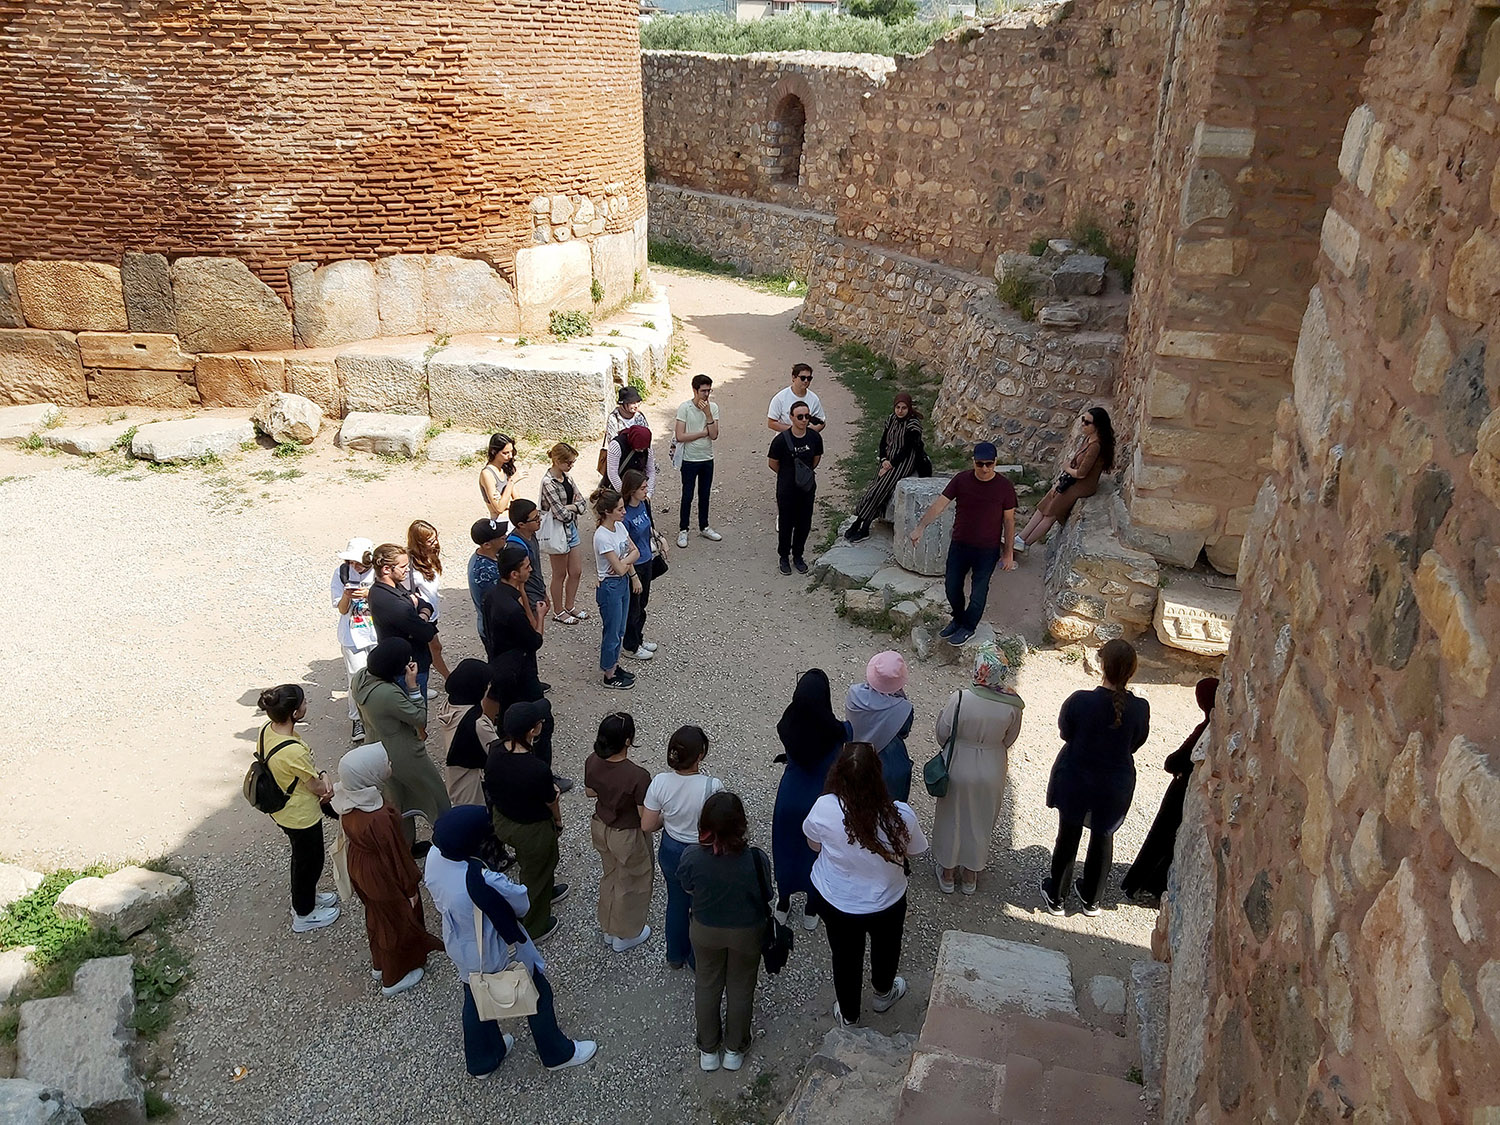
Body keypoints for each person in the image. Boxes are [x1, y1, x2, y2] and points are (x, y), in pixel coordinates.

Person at [423, 806, 597, 1077]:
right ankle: (556, 1053)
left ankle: (483, 1060)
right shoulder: (480, 879)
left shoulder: (435, 857)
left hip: (460, 942)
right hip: (494, 947)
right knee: (538, 994)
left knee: (474, 996)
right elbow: (521, 903)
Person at [803, 742, 928, 1026]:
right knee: (887, 947)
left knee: (845, 958)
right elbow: (915, 850)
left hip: (837, 899)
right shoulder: (900, 815)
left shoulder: (825, 807)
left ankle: (849, 1014)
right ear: (878, 775)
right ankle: (883, 992)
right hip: (887, 899)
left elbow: (813, 844)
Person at [1040, 639, 1151, 917]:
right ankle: (1092, 898)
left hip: (1077, 775)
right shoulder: (1140, 708)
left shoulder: (1080, 701)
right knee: (1104, 835)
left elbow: (1066, 732)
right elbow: (1137, 742)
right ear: (1131, 672)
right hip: (1115, 782)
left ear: (1102, 666)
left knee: (1068, 834)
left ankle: (1057, 895)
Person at [331, 743, 444, 996]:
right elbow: (397, 856)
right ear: (368, 776)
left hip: (360, 865)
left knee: (377, 915)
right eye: (384, 764)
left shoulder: (349, 800)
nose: (389, 765)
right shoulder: (379, 816)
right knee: (397, 920)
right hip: (382, 873)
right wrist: (410, 886)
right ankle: (394, 977)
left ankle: (380, 964)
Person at [677, 792, 773, 1073]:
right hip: (746, 931)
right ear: (741, 825)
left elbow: (687, 887)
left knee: (707, 984)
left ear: (704, 824)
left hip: (706, 928)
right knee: (741, 987)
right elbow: (766, 894)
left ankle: (708, 1049)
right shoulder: (756, 859)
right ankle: (734, 1048)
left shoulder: (692, 856)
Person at [931, 642, 1025, 895]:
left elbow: (943, 733)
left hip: (959, 761)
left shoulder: (961, 697)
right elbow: (1010, 739)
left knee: (953, 818)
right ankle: (971, 875)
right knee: (981, 821)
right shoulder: (1013, 704)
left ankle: (948, 873)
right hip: (992, 765)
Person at [908, 442, 1017, 648]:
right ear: (973, 462)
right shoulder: (961, 480)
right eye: (980, 464)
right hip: (960, 544)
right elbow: (939, 505)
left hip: (987, 549)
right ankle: (958, 618)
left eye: (989, 464)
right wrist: (920, 527)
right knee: (951, 586)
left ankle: (968, 626)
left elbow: (1009, 521)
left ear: (996, 462)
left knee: (978, 591)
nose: (984, 469)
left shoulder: (1005, 487)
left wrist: (1008, 552)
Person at [1121, 677, 1218, 905]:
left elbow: (1173, 762)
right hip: (1197, 792)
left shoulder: (1204, 729)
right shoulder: (1214, 729)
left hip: (1181, 791)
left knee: (1161, 837)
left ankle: (1140, 883)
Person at [351, 637, 451, 849]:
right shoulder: (387, 693)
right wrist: (413, 687)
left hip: (377, 747)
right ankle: (449, 838)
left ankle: (406, 844)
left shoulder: (360, 678)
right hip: (402, 751)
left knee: (397, 799)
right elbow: (418, 717)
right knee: (435, 793)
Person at [256, 684, 338, 932]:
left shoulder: (266, 730)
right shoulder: (292, 751)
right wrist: (325, 779)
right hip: (301, 815)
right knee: (309, 862)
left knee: (303, 859)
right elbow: (315, 786)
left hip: (282, 808)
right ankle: (304, 913)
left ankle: (307, 898)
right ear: (294, 713)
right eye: (303, 703)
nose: (306, 706)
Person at [771, 671, 848, 930]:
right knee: (816, 854)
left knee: (785, 850)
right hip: (821, 798)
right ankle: (812, 908)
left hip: (790, 796)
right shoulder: (837, 731)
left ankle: (783, 902)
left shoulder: (787, 725)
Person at [642, 725, 724, 970]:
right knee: (701, 907)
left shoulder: (660, 782)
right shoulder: (713, 787)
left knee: (676, 901)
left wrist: (667, 819)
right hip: (701, 850)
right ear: (700, 756)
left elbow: (647, 824)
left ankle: (675, 954)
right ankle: (697, 958)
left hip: (671, 848)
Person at [484, 700, 566, 942]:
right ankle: (535, 926)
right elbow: (550, 800)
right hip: (531, 828)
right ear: (533, 730)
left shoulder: (496, 749)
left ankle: (544, 891)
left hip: (504, 819)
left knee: (532, 864)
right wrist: (558, 822)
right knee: (536, 870)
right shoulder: (536, 768)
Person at [583, 712, 654, 953]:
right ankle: (625, 934)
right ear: (627, 740)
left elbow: (590, 792)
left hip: (601, 827)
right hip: (626, 833)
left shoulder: (592, 760)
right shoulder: (637, 775)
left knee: (610, 876)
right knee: (632, 882)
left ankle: (608, 927)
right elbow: (646, 819)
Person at [1016, 406, 1114, 552]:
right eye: (1083, 420)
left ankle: (1025, 544)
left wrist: (1066, 468)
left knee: (1051, 512)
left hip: (1081, 485)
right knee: (1045, 504)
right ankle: (1020, 538)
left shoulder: (1095, 446)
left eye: (1087, 422)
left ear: (1097, 426)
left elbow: (1081, 474)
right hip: (1072, 480)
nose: (1083, 424)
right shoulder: (1088, 439)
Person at [368, 543, 451, 699]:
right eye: (403, 566)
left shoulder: (390, 588)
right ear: (386, 569)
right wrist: (422, 616)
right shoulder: (391, 601)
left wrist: (420, 615)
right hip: (408, 669)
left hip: (408, 661)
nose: (408, 569)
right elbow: (426, 632)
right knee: (416, 715)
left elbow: (425, 605)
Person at [845, 393, 926, 542]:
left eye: (903, 408)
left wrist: (890, 465)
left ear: (909, 408)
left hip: (903, 462)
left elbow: (907, 450)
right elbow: (883, 442)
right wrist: (883, 459)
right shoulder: (891, 420)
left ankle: (863, 526)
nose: (900, 411)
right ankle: (859, 523)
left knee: (879, 490)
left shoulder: (913, 425)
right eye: (897, 407)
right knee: (873, 488)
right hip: (888, 460)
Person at [844, 651, 915, 803]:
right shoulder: (904, 708)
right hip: (887, 760)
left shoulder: (854, 694)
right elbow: (903, 732)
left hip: (855, 752)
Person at [592, 488, 641, 690]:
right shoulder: (602, 536)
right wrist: (626, 562)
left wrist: (625, 563)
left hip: (620, 584)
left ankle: (614, 664)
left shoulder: (619, 527)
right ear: (607, 512)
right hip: (610, 586)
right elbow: (621, 567)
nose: (624, 512)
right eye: (620, 509)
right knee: (612, 631)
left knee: (620, 628)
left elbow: (635, 552)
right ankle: (609, 674)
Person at [331, 537, 378, 746]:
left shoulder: (380, 572)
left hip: (378, 633)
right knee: (356, 679)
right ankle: (357, 719)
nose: (355, 566)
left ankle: (377, 717)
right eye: (351, 562)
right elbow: (341, 609)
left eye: (358, 562)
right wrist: (347, 596)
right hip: (352, 636)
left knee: (380, 676)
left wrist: (371, 594)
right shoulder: (341, 574)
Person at [767, 401, 824, 575]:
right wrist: (788, 476)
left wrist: (804, 476)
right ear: (791, 417)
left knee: (804, 523)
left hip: (806, 489)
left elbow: (816, 458)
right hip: (786, 489)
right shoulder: (781, 440)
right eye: (800, 416)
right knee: (786, 523)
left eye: (807, 416)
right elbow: (772, 463)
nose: (804, 420)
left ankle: (798, 555)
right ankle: (784, 556)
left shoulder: (814, 437)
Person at [431, 658, 495, 808]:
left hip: (455, 775)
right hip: (472, 783)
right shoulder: (477, 722)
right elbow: (496, 752)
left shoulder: (449, 705)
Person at [539, 442, 590, 625]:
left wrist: (570, 507)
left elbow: (582, 503)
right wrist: (573, 508)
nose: (571, 466)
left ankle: (570, 606)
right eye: (568, 462)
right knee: (559, 574)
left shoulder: (567, 478)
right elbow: (560, 514)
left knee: (576, 571)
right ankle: (558, 610)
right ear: (557, 461)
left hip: (571, 529)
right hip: (557, 532)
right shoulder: (547, 482)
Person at [482, 546, 545, 690]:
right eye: (527, 567)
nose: (530, 570)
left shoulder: (490, 595)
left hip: (499, 663)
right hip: (519, 671)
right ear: (514, 574)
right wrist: (540, 616)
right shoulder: (513, 610)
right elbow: (535, 642)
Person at [674, 373, 722, 548]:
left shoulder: (713, 408)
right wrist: (702, 433)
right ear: (695, 390)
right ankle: (683, 529)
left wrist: (708, 414)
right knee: (687, 494)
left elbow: (715, 435)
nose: (706, 394)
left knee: (705, 494)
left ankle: (704, 526)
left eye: (709, 390)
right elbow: (680, 435)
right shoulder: (685, 408)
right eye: (703, 391)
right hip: (689, 459)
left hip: (707, 457)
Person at [619, 469, 661, 662]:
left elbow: (649, 526)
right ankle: (630, 645)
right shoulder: (624, 516)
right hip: (634, 566)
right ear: (632, 490)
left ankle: (638, 637)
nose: (646, 490)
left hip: (647, 560)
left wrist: (660, 538)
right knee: (633, 608)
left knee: (642, 604)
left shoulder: (645, 504)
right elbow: (625, 549)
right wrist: (633, 575)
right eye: (643, 488)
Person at [505, 499, 551, 625]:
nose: (539, 519)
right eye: (535, 518)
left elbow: (537, 569)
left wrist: (543, 593)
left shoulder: (532, 535)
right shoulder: (516, 548)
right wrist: (529, 615)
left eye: (539, 515)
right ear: (521, 524)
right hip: (529, 599)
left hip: (537, 593)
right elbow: (519, 584)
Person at [466, 519, 507, 651]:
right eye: (500, 536)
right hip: (496, 630)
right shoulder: (484, 572)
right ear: (487, 544)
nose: (505, 536)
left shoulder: (488, 556)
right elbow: (499, 604)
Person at [767, 363, 826, 433]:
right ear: (793, 377)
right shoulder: (780, 398)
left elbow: (822, 422)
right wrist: (793, 431)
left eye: (809, 378)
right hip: (786, 440)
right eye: (803, 378)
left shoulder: (814, 398)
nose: (806, 381)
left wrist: (809, 434)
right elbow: (771, 423)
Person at [404, 520, 443, 624]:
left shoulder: (430, 554)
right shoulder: (407, 565)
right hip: (421, 615)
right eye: (430, 541)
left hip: (431, 613)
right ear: (419, 544)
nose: (435, 543)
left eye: (435, 538)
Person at [479, 433, 521, 529]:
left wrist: (505, 501)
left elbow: (518, 501)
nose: (510, 456)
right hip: (500, 524)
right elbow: (499, 508)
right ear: (494, 452)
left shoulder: (505, 469)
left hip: (513, 521)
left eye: (511, 452)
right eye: (505, 453)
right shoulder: (487, 474)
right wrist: (511, 482)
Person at [605, 421, 657, 498]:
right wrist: (626, 495)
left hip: (639, 491)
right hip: (620, 491)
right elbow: (612, 473)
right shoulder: (616, 445)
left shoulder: (647, 447)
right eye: (640, 448)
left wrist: (648, 493)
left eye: (644, 448)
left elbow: (651, 470)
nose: (642, 451)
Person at [603, 384, 647, 448]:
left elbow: (646, 439)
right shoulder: (613, 419)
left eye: (637, 402)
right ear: (623, 404)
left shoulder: (639, 416)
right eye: (632, 403)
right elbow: (613, 444)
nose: (636, 406)